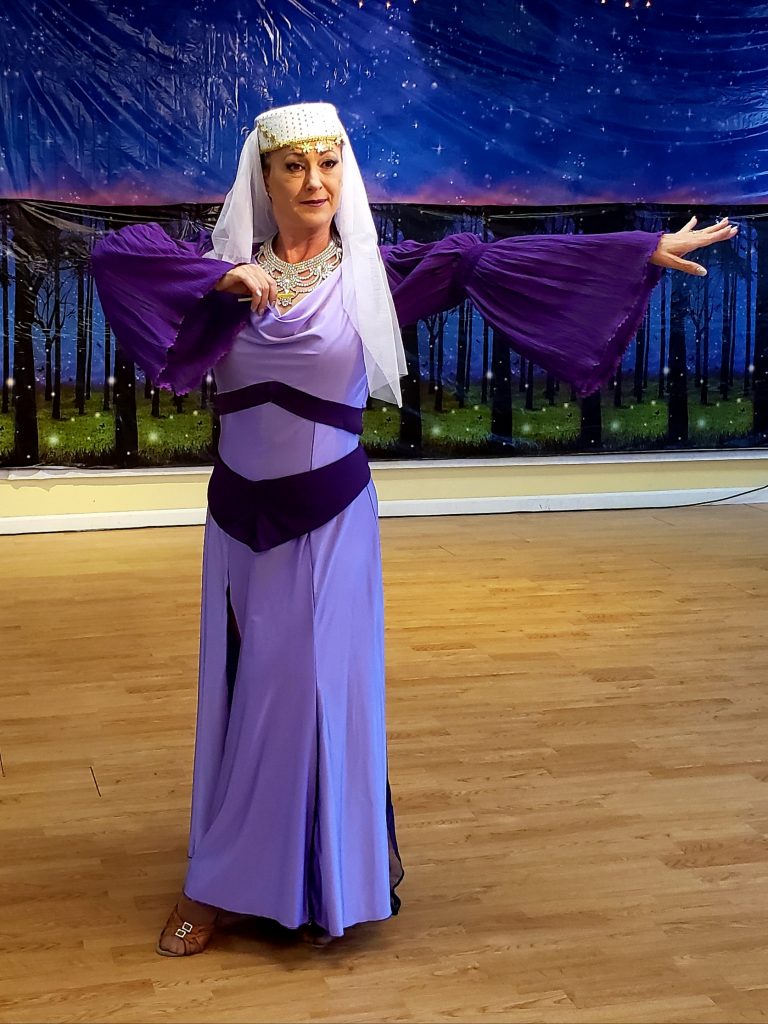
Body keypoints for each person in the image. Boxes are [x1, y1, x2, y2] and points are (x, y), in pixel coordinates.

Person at [91, 101, 737, 956]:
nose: (314, 181)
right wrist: (220, 282)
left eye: (328, 163)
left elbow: (490, 261)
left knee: (305, 692)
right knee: (245, 694)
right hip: (238, 520)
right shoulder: (222, 269)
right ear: (265, 178)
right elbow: (113, 256)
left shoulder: (378, 275)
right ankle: (233, 873)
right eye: (295, 166)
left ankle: (271, 882)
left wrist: (632, 252)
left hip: (328, 519)